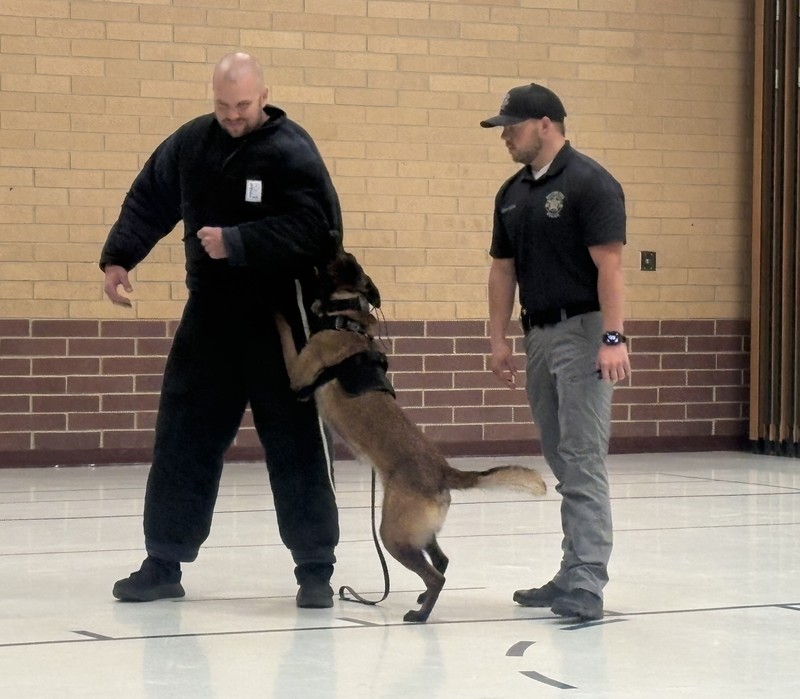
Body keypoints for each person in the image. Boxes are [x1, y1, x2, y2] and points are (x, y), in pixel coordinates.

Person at [100, 52, 342, 609]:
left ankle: (315, 570)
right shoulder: (192, 144)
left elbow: (320, 230)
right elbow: (150, 198)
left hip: (281, 321)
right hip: (210, 318)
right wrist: (119, 257)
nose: (232, 116)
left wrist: (239, 242)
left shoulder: (291, 150)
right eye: (222, 106)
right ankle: (163, 561)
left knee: (298, 443)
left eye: (242, 106)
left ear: (263, 97)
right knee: (183, 439)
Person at [481, 83, 630, 621]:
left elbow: (609, 266)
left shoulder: (590, 182)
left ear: (546, 124)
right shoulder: (512, 193)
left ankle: (587, 581)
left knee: (583, 458)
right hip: (538, 336)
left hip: (585, 331)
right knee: (561, 456)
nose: (505, 138)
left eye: (512, 128)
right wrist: (499, 338)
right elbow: (503, 270)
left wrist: (613, 337)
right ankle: (571, 571)